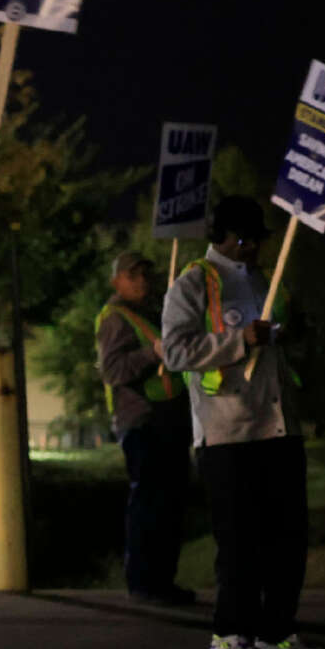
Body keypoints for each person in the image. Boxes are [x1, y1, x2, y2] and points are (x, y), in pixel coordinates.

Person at [160, 196, 321, 649]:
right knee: (239, 542)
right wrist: (239, 340)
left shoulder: (266, 283)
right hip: (227, 433)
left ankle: (279, 631)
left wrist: (291, 334)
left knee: (288, 538)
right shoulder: (192, 284)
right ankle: (231, 632)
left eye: (258, 240)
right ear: (223, 237)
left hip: (280, 429)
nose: (253, 249)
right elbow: (174, 353)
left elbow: (287, 340)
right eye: (245, 240)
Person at [97, 252, 195, 605]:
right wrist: (154, 353)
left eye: (144, 274)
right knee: (150, 504)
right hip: (141, 422)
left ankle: (162, 582)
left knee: (169, 504)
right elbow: (113, 371)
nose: (141, 281)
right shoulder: (115, 319)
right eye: (132, 275)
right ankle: (143, 582)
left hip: (167, 419)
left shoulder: (151, 313)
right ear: (116, 282)